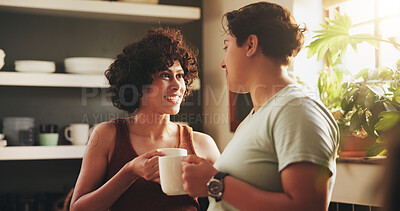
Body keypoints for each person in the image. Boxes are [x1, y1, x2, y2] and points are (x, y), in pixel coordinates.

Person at [181, 2, 339, 211]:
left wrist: (214, 183)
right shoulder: (255, 116)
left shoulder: (297, 110)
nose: (222, 62)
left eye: (226, 47)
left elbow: (307, 207)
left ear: (251, 45)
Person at [69, 27, 220, 211]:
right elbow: (77, 208)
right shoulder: (107, 135)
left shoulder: (202, 144)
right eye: (165, 75)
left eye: (180, 75)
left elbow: (230, 198)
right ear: (138, 84)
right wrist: (129, 171)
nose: (177, 85)